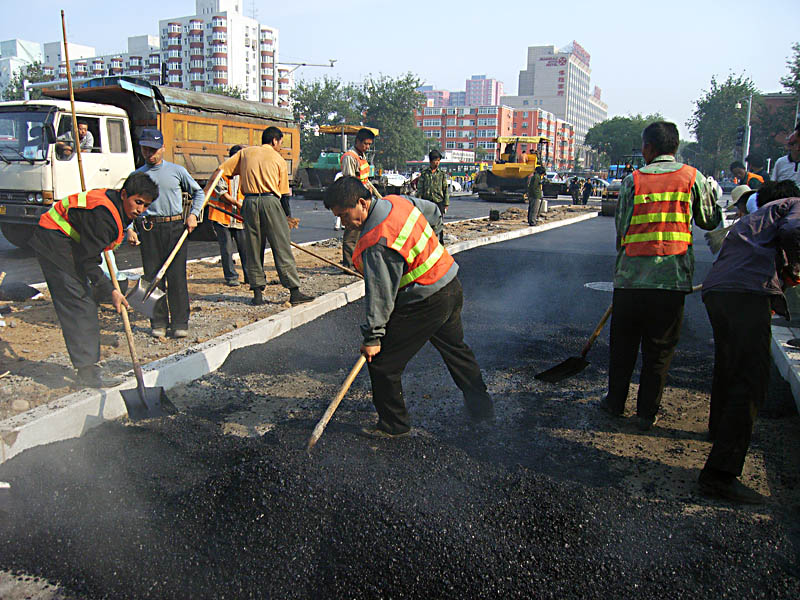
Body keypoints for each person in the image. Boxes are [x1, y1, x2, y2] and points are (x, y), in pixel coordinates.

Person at [324, 176, 495, 438]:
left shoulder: (376, 241)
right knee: (457, 351)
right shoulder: (397, 202)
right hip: (450, 282)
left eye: (345, 215)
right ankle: (482, 410)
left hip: (426, 300)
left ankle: (394, 425)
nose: (344, 223)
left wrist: (373, 338)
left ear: (361, 203)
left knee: (382, 363)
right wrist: (433, 244)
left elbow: (380, 296)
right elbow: (434, 212)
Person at [599, 121, 722, 430]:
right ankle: (645, 413)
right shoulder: (693, 178)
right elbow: (709, 221)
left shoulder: (632, 181)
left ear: (648, 148)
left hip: (630, 280)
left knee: (623, 347)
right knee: (659, 350)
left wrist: (626, 265)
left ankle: (614, 404)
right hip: (670, 281)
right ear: (675, 148)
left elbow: (622, 229)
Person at [699, 179, 800, 504]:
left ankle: (719, 430)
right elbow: (795, 233)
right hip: (747, 292)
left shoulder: (755, 219)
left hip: (719, 292)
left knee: (729, 367)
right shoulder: (794, 206)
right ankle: (720, 475)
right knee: (752, 381)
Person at [30, 172, 157, 388]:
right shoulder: (103, 216)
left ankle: (87, 362)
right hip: (54, 240)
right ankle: (87, 372)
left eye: (145, 205)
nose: (140, 209)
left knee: (86, 298)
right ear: (124, 194)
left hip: (69, 240)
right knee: (80, 303)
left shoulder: (116, 206)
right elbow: (88, 261)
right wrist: (111, 291)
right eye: (138, 202)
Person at [205, 126, 313, 307]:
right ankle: (294, 291)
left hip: (249, 202)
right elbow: (284, 194)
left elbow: (222, 171)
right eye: (280, 143)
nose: (280, 147)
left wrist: (205, 192)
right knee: (281, 245)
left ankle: (257, 293)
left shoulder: (245, 153)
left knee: (253, 246)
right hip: (271, 201)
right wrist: (287, 216)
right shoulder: (278, 159)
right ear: (274, 141)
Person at [127, 128, 205, 339]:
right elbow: (127, 205)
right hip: (149, 229)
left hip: (175, 228)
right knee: (152, 277)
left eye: (153, 149)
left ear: (162, 148)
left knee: (176, 277)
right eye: (145, 149)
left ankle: (180, 322)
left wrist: (194, 215)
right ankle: (159, 322)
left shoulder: (176, 171)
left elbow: (199, 192)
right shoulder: (137, 176)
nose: (149, 154)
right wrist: (130, 229)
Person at [209, 144, 248, 287]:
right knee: (226, 249)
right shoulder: (221, 172)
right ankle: (231, 277)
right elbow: (222, 194)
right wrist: (239, 205)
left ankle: (249, 276)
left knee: (245, 249)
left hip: (239, 219)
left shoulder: (246, 173)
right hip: (222, 217)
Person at [340, 128, 380, 269]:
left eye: (369, 144)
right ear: (357, 141)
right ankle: (349, 264)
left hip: (363, 199)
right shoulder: (350, 157)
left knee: (363, 232)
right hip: (354, 199)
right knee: (352, 230)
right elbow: (350, 181)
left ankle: (358, 262)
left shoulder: (361, 156)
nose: (367, 147)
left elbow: (365, 180)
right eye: (365, 144)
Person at [416, 148, 449, 242]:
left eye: (439, 161)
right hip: (427, 202)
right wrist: (418, 202)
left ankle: (440, 242)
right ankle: (428, 242)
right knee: (426, 223)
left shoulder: (441, 174)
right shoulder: (424, 174)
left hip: (439, 202)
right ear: (431, 161)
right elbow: (420, 189)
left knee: (439, 223)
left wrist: (446, 204)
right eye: (435, 160)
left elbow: (445, 189)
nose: (437, 163)